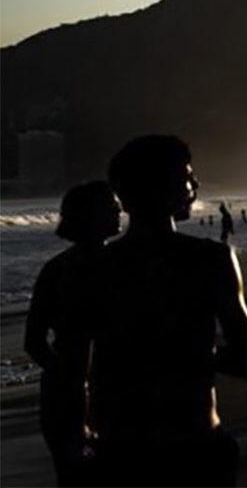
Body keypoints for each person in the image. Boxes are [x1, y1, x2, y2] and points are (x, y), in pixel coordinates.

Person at [91, 135, 247, 486]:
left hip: (118, 449)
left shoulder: (93, 269)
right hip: (194, 442)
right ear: (165, 188)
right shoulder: (211, 260)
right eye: (187, 176)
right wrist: (193, 355)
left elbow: (75, 365)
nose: (195, 184)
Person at [25, 181, 122, 485]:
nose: (119, 211)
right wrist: (73, 381)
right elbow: (35, 341)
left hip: (66, 390)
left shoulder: (55, 268)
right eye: (111, 207)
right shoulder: (120, 266)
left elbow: (34, 342)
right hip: (79, 394)